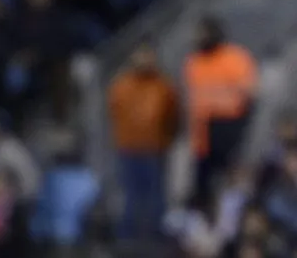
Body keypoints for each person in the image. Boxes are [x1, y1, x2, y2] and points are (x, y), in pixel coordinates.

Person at [108, 40, 180, 240]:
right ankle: (127, 238)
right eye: (140, 54)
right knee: (130, 196)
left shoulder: (163, 85)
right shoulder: (121, 85)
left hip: (155, 149)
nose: (144, 59)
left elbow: (173, 115)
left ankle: (156, 237)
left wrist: (166, 139)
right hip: (128, 148)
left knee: (156, 197)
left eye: (148, 55)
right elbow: (113, 112)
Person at [185, 16, 259, 200]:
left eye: (203, 33)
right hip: (203, 131)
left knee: (232, 179)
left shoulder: (234, 58)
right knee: (203, 186)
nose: (199, 37)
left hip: (229, 125)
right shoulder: (194, 62)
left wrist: (239, 128)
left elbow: (249, 93)